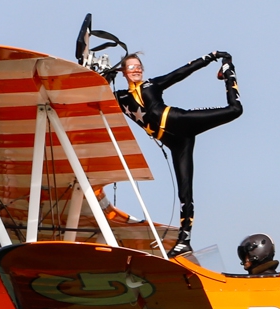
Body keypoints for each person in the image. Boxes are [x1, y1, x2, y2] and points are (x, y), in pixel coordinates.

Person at [103, 49, 243, 257]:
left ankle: (228, 69)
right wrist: (103, 78)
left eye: (139, 67)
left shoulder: (152, 85)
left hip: (180, 120)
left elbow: (181, 72)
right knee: (185, 191)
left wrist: (210, 57)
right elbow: (97, 97)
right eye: (131, 67)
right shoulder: (120, 97)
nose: (136, 70)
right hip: (176, 143)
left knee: (235, 110)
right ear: (123, 71)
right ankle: (184, 241)